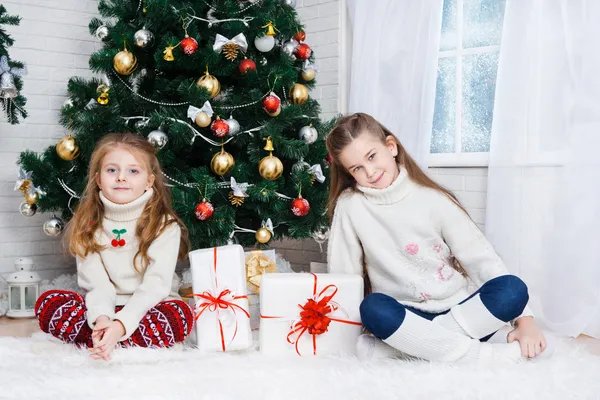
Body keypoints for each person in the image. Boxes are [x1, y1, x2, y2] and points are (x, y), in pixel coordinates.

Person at [326, 113, 547, 364]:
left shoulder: (432, 198)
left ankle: (410, 349)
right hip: (404, 317)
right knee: (372, 309)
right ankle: (478, 355)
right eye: (357, 168)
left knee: (513, 289)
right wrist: (341, 333)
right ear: (349, 172)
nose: (370, 171)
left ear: (391, 147)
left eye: (372, 156)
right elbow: (345, 276)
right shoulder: (351, 206)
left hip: (460, 311)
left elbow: (480, 259)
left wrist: (524, 321)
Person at [35, 133, 194, 360]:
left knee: (180, 315)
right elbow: (98, 285)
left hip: (150, 306)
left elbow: (155, 286)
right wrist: (102, 319)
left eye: (133, 171)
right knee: (48, 303)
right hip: (105, 308)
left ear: (149, 180)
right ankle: (108, 335)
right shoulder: (88, 225)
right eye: (112, 170)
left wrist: (121, 324)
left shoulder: (164, 226)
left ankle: (107, 337)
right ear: (98, 179)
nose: (121, 177)